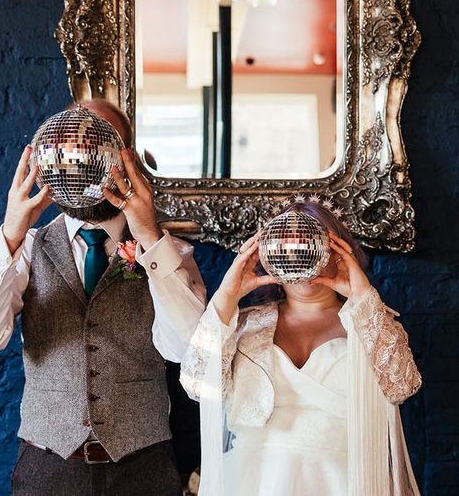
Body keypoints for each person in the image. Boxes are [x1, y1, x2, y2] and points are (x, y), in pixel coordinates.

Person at [0, 99, 206, 496]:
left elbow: (190, 349)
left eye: (98, 144)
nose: (84, 160)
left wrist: (150, 238)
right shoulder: (27, 248)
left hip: (145, 469)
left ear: (126, 158)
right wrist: (10, 235)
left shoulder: (172, 254)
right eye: (71, 148)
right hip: (47, 469)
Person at [180, 202, 422, 496]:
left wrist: (363, 296)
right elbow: (197, 385)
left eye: (310, 245)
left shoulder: (370, 321)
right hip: (253, 481)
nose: (298, 255)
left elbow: (402, 386)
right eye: (286, 247)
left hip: (346, 481)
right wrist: (226, 298)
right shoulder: (244, 324)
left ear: (337, 251)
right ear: (271, 256)